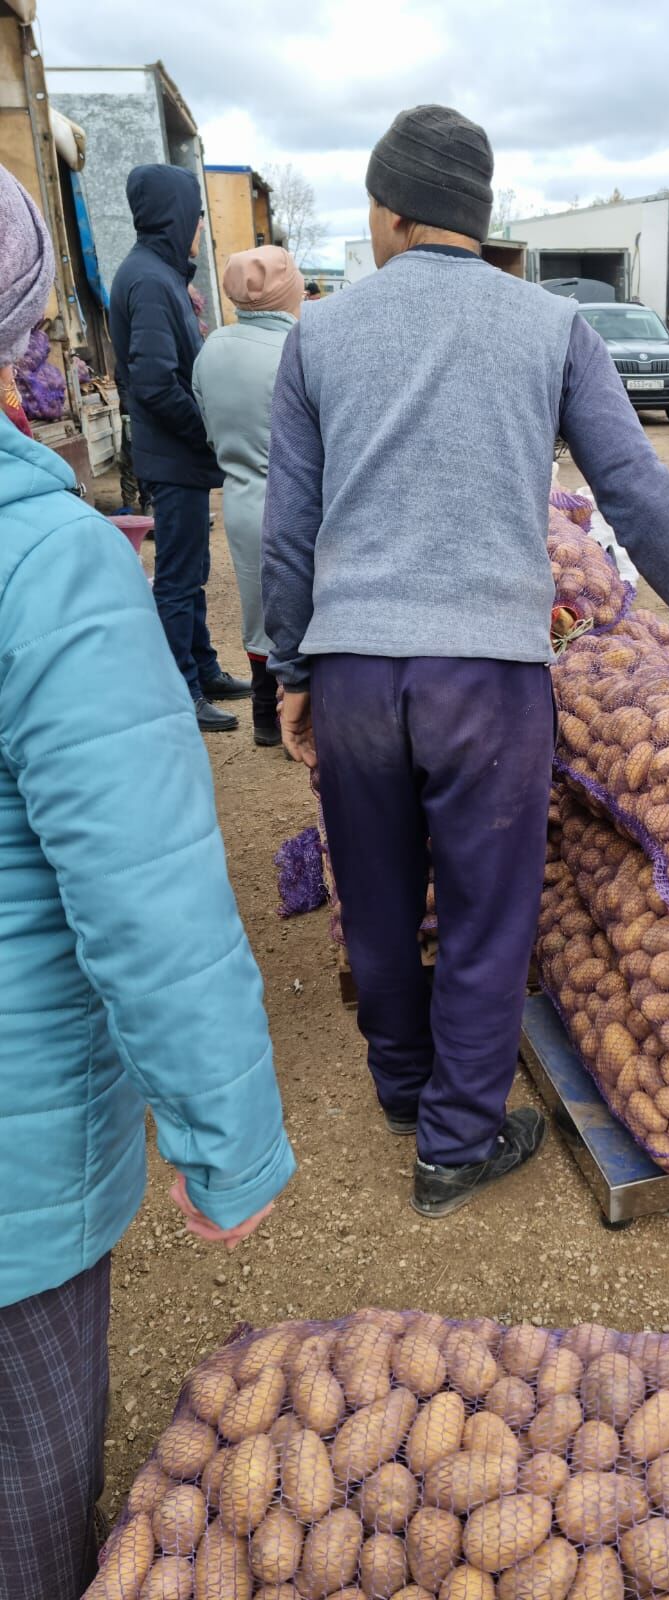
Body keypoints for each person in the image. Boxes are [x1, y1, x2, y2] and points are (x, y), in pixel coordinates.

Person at [261, 104, 669, 1220]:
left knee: (382, 891)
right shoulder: (549, 329)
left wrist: (290, 673)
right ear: (476, 218)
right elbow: (633, 481)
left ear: (389, 213)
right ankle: (456, 1137)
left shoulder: (322, 332)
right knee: (492, 907)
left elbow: (286, 530)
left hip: (354, 669)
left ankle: (404, 1088)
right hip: (486, 676)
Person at [0, 164, 295, 1600]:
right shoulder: (37, 564)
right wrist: (226, 1139)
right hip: (11, 1181)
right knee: (27, 1484)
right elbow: (145, 888)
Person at [109, 165, 251, 733]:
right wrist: (209, 433)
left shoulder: (160, 275)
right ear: (174, 217)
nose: (198, 228)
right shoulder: (147, 281)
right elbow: (155, 383)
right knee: (176, 576)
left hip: (180, 458)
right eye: (194, 217)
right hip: (172, 457)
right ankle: (183, 690)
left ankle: (205, 669)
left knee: (191, 569)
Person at [193, 245, 304, 747]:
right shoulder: (299, 347)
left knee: (256, 608)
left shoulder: (212, 348)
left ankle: (264, 717)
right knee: (303, 606)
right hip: (298, 499)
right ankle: (299, 718)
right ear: (288, 290)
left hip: (239, 496)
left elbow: (209, 431)